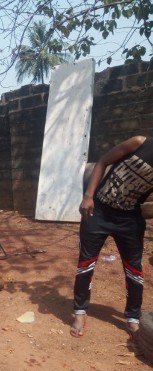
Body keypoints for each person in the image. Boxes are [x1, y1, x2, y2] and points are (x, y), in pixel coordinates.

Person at [71, 135, 151, 339]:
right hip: (98, 211)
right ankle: (79, 312)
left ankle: (132, 317)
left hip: (129, 219)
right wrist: (88, 196)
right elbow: (103, 161)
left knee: (134, 269)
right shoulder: (140, 143)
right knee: (86, 263)